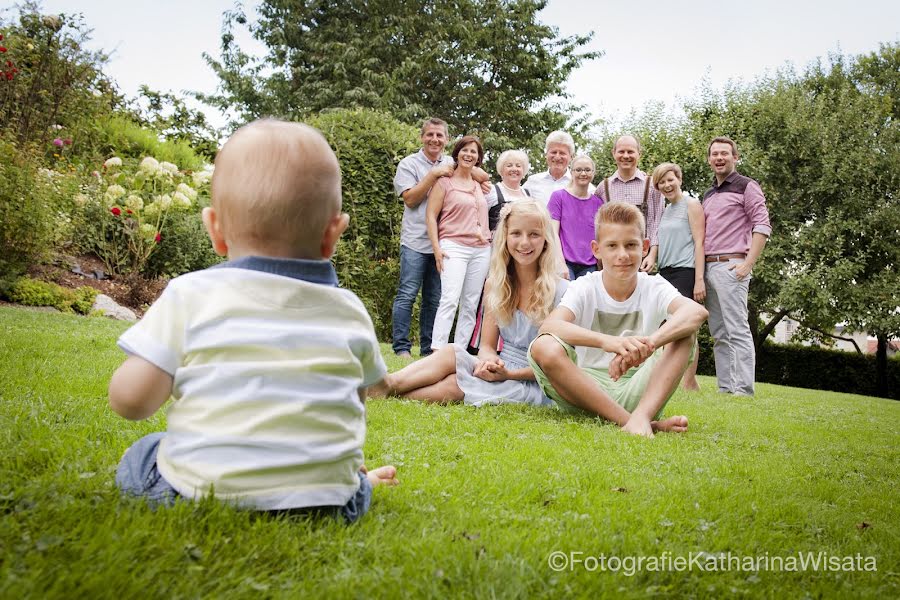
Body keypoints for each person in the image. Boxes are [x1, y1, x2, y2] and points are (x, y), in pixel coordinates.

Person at [108, 119, 398, 523]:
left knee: (145, 452)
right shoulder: (349, 309)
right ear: (334, 233)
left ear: (215, 230)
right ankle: (360, 483)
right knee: (342, 471)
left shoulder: (190, 295)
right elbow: (356, 406)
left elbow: (132, 401)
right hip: (330, 505)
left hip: (203, 496)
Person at [528, 202, 709, 438]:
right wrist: (609, 342)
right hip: (585, 390)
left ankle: (642, 415)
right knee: (544, 346)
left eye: (631, 245)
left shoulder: (654, 285)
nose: (622, 255)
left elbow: (696, 312)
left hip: (642, 391)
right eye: (612, 246)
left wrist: (649, 345)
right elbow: (550, 326)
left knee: (685, 333)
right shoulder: (585, 286)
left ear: (644, 247)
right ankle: (639, 423)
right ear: (597, 249)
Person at [369, 201, 567, 406]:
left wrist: (509, 374)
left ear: (546, 240)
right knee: (451, 352)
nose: (524, 242)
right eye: (516, 233)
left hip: (537, 382)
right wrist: (488, 361)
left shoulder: (561, 291)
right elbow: (487, 346)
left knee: (455, 384)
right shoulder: (495, 285)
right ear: (505, 238)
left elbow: (562, 367)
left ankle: (386, 394)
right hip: (502, 367)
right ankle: (388, 383)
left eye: (534, 234)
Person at [702, 136, 772, 396]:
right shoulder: (709, 194)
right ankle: (725, 388)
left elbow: (762, 226)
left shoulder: (747, 186)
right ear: (709, 159)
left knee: (737, 329)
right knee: (719, 333)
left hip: (732, 266)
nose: (719, 158)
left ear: (735, 157)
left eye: (725, 153)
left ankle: (743, 390)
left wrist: (747, 264)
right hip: (709, 267)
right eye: (715, 154)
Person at [391, 117, 455, 359]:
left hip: (444, 243)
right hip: (415, 242)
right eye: (430, 135)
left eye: (440, 135)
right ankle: (401, 348)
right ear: (422, 137)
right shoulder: (409, 164)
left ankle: (428, 350)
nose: (434, 140)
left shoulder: (452, 163)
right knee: (407, 293)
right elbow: (410, 199)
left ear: (446, 140)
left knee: (434, 298)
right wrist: (434, 174)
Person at [426, 135, 492, 350]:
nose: (469, 154)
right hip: (453, 247)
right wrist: (436, 249)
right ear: (457, 153)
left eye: (474, 152)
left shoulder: (479, 184)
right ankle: (438, 349)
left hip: (481, 250)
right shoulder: (444, 182)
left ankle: (460, 351)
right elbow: (430, 215)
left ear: (478, 158)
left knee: (471, 303)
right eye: (465, 150)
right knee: (450, 299)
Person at [652, 162, 705, 391]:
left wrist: (700, 278)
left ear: (679, 179)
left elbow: (700, 242)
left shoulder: (691, 204)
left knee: (686, 326)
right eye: (661, 182)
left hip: (686, 271)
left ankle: (689, 381)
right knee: (666, 325)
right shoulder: (665, 210)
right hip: (665, 272)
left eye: (670, 179)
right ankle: (669, 375)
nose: (666, 185)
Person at [596, 135, 664, 273]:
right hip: (613, 261)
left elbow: (657, 223)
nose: (626, 156)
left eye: (631, 151)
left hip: (642, 260)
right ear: (613, 153)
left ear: (639, 154)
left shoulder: (652, 186)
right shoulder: (603, 188)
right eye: (621, 151)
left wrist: (652, 255)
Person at [548, 154, 603, 280]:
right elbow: (552, 233)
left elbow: (600, 236)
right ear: (571, 172)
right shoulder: (559, 197)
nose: (583, 173)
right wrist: (560, 263)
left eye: (587, 170)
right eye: (578, 170)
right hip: (566, 263)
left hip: (590, 265)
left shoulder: (598, 203)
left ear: (593, 173)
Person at [523, 131, 586, 206]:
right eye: (553, 152)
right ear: (546, 154)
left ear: (571, 157)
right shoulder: (532, 182)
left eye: (562, 153)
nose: (557, 157)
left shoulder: (581, 184)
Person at [486, 149, 531, 233]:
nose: (514, 169)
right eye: (509, 165)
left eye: (518, 166)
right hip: (497, 243)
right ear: (501, 170)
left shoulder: (528, 194)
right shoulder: (491, 190)